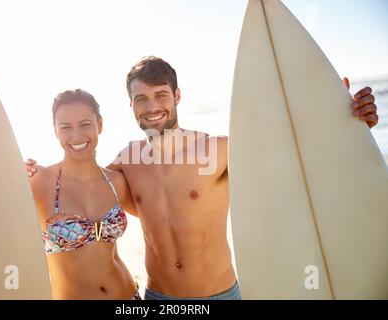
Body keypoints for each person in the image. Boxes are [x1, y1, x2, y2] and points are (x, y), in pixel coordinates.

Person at [27, 57, 378, 300]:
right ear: (131, 105)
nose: (152, 106)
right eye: (141, 98)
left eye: (161, 94)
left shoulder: (218, 150)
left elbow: (290, 155)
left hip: (218, 295)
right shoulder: (127, 164)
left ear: (177, 96)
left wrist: (345, 119)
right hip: (157, 297)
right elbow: (83, 185)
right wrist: (24, 175)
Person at [29, 89, 140, 299]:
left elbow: (158, 217)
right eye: (66, 127)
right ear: (55, 131)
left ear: (100, 124)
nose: (76, 135)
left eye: (85, 124)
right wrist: (11, 174)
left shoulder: (115, 181)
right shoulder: (40, 181)